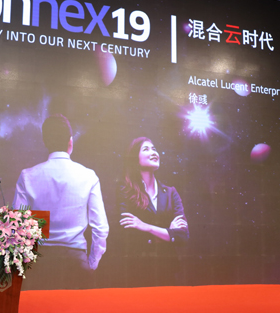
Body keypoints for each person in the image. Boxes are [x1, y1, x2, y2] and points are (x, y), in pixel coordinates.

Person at [13, 114, 109, 279]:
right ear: (70, 141)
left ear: (45, 142)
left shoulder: (27, 176)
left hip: (39, 264)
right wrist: (92, 262)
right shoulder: (89, 176)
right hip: (76, 262)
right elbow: (101, 228)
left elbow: (17, 225)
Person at [119, 137, 188, 285]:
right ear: (135, 158)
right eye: (146, 149)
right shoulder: (125, 192)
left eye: (154, 149)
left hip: (169, 272)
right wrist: (168, 232)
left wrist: (146, 227)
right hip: (138, 273)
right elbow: (126, 236)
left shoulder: (171, 193)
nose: (154, 152)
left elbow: (183, 236)